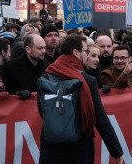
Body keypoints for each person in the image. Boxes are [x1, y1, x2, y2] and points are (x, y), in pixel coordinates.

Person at [37, 35, 123, 164]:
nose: (87, 55)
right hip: (79, 150)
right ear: (76, 53)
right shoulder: (87, 81)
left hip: (51, 148)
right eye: (85, 51)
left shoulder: (46, 76)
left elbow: (42, 110)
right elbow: (100, 118)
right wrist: (116, 151)